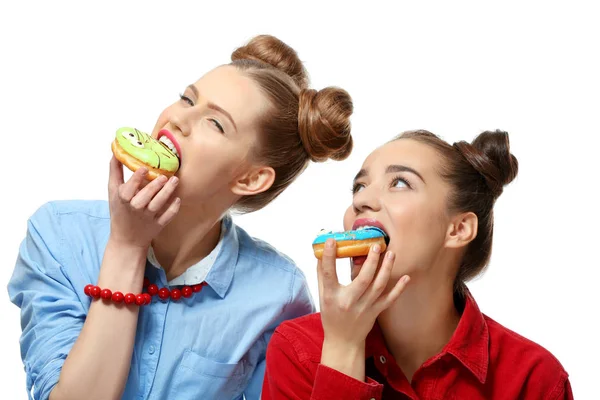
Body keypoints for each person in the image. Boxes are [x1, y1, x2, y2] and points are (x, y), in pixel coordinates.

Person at [7, 34, 354, 400]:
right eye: (187, 99)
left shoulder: (278, 294)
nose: (179, 119)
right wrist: (127, 246)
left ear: (251, 178)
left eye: (215, 124)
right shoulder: (58, 236)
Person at [262, 129, 573, 399]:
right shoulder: (298, 349)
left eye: (399, 183)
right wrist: (343, 348)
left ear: (458, 229)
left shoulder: (534, 379)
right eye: (359, 186)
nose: (361, 201)